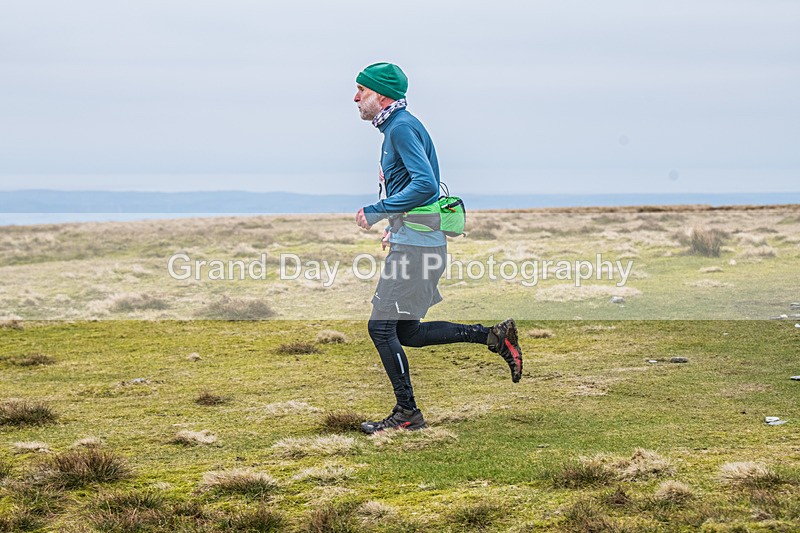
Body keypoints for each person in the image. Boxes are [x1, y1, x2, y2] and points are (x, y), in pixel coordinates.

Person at [353, 62, 523, 434]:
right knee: (407, 332)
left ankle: (407, 414)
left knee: (381, 329)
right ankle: (493, 336)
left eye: (361, 91)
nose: (356, 98)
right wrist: (396, 228)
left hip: (416, 251)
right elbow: (416, 192)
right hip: (416, 244)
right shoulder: (398, 126)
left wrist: (378, 212)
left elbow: (427, 186)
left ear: (381, 95)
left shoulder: (399, 127)